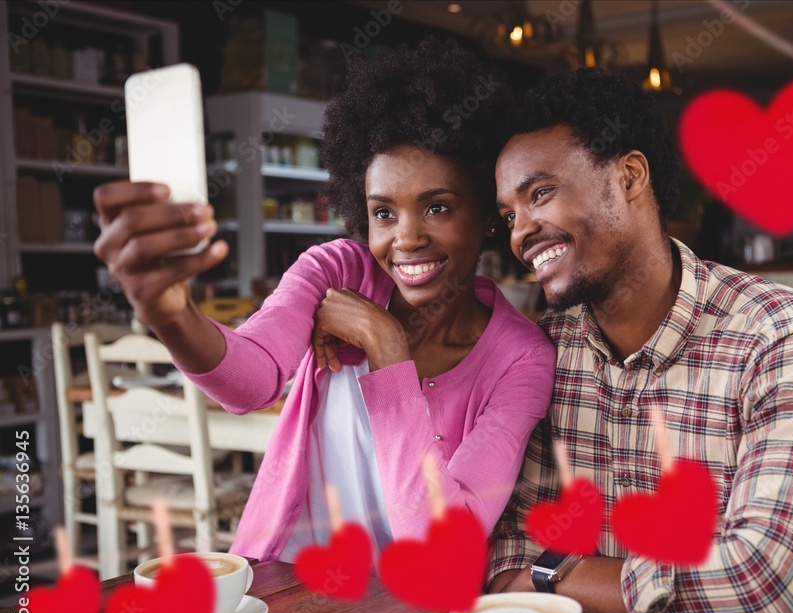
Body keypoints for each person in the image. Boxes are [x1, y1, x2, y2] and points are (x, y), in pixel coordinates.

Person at [92, 39, 555, 563]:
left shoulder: (521, 358)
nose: (405, 239)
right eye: (383, 213)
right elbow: (249, 382)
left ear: (489, 215)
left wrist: (387, 347)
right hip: (283, 590)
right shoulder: (336, 271)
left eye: (437, 208)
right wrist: (170, 313)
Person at [487, 68, 793, 613]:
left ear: (629, 175)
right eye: (508, 214)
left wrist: (559, 571)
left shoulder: (790, 338)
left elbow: (769, 600)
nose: (521, 233)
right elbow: (503, 553)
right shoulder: (540, 354)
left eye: (539, 194)